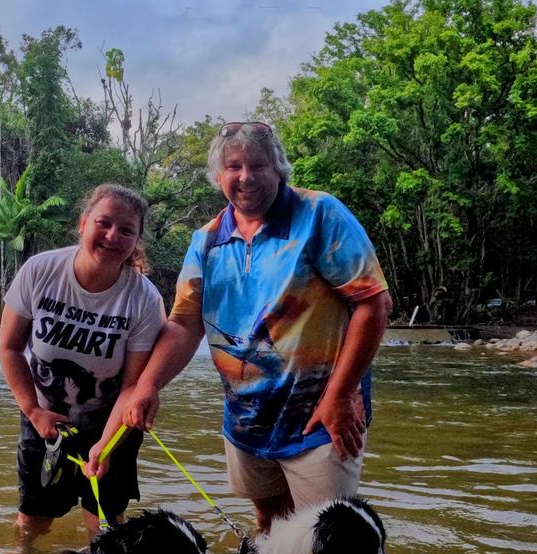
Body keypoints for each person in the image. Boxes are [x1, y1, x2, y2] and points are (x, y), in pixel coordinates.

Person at [120, 122, 392, 532]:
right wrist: (147, 385)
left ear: (278, 169)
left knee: (326, 546)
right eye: (233, 166)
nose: (245, 176)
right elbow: (183, 323)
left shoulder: (319, 215)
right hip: (247, 420)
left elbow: (373, 303)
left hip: (320, 418)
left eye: (257, 165)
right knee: (270, 528)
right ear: (219, 176)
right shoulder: (206, 241)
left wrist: (338, 395)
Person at [0, 183, 166, 538]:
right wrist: (33, 411)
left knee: (104, 525)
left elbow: (133, 385)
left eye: (126, 231)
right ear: (83, 223)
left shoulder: (145, 300)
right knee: (32, 523)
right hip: (45, 420)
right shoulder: (40, 271)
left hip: (113, 424)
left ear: (137, 241)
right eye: (103, 223)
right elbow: (10, 348)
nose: (112, 236)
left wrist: (105, 445)